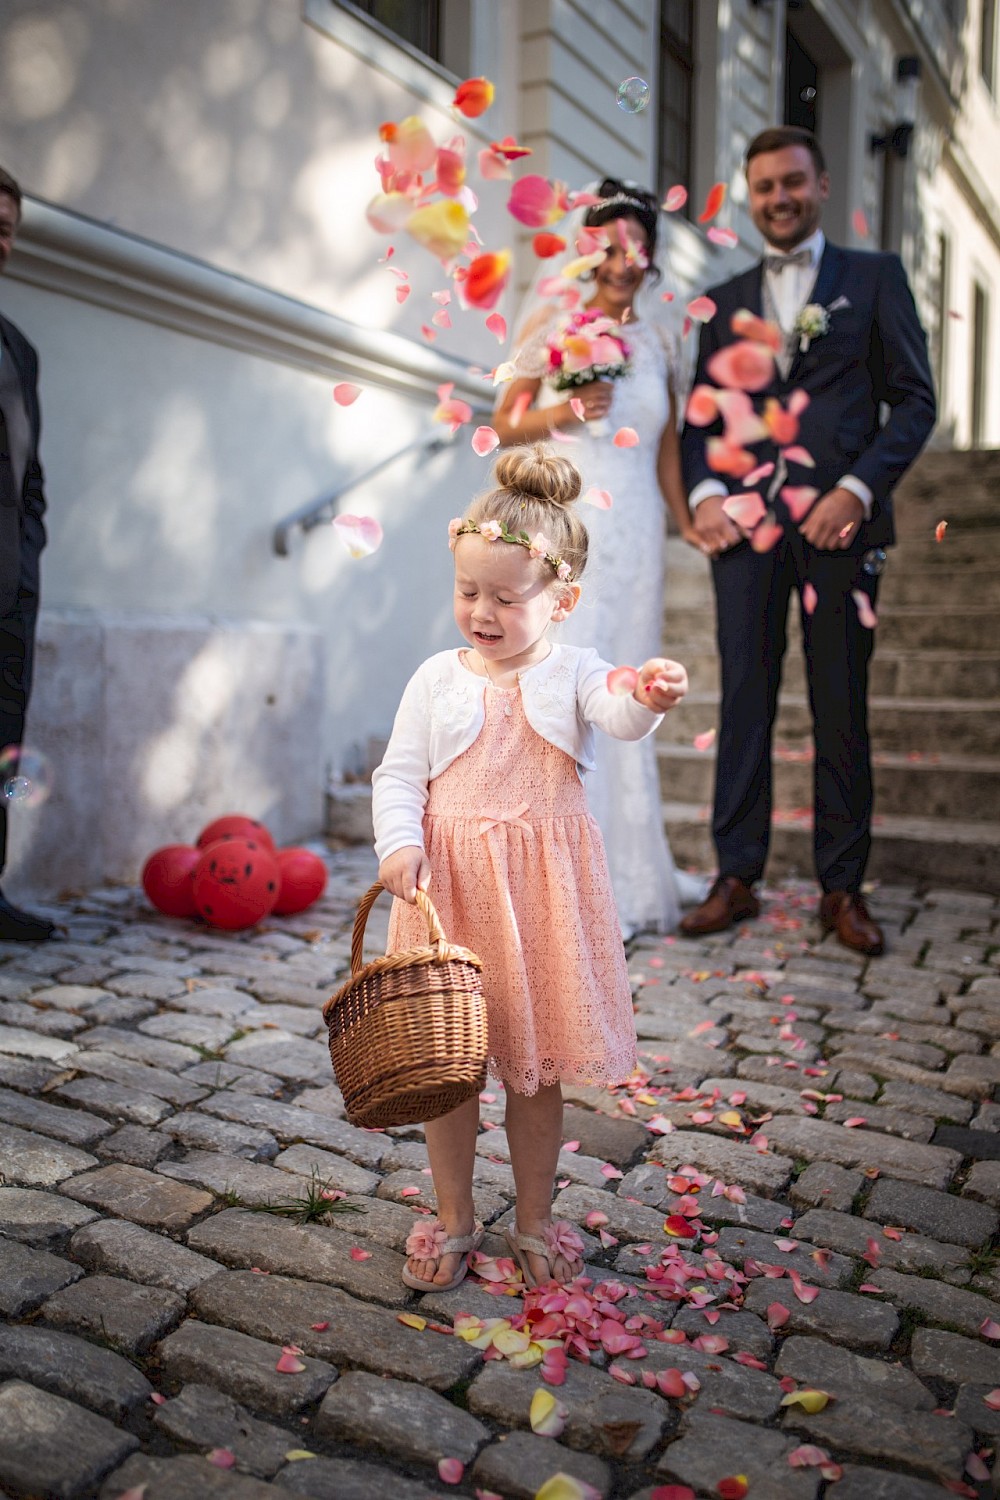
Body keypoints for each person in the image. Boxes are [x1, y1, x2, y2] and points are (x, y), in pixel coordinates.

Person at [373, 445, 688, 1290]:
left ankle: (537, 1216)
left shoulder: (577, 671)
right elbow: (400, 774)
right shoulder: (437, 679)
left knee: (534, 1064)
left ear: (562, 601)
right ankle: (453, 1217)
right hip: (453, 893)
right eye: (467, 590)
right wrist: (399, 842)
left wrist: (648, 700)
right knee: (450, 1068)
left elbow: (616, 716)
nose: (479, 610)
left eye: (505, 598)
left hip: (541, 898)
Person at [680, 126, 936, 956]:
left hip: (841, 528)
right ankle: (737, 876)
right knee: (744, 697)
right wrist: (707, 495)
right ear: (750, 196)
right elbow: (700, 419)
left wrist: (857, 489)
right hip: (746, 535)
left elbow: (916, 402)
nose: (779, 199)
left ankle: (841, 887)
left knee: (841, 703)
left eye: (792, 182)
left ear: (822, 184)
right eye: (763, 188)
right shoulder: (723, 303)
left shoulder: (875, 278)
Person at [493, 178, 704, 940]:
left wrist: (689, 521)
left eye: (636, 247)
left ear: (650, 259)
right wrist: (565, 410)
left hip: (640, 530)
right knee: (562, 683)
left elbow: (670, 447)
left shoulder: (662, 340)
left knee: (625, 683)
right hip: (573, 524)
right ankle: (552, 879)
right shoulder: (555, 320)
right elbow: (505, 419)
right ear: (590, 252)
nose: (623, 260)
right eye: (609, 246)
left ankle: (626, 869)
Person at [0, 167, 53, 942]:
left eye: (7, 224)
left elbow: (30, 472)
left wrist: (30, 550)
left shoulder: (19, 347)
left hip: (12, 584)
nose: (0, 237)